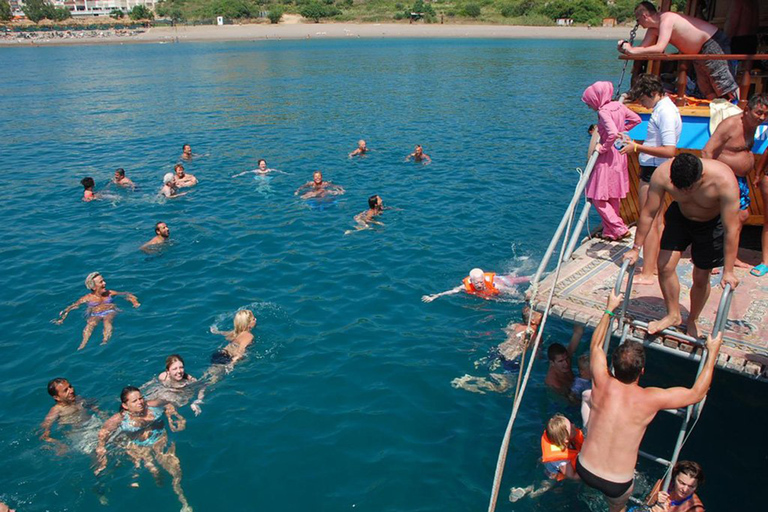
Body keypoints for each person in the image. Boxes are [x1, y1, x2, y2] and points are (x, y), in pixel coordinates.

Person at [576, 290, 722, 512]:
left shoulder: (601, 380)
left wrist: (610, 309)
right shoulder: (650, 398)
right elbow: (696, 393)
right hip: (616, 483)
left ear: (613, 366)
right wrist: (712, 353)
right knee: (617, 508)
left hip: (584, 468)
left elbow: (596, 346)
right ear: (642, 371)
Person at [624, 154, 740, 337]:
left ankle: (693, 319)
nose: (685, 193)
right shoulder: (662, 174)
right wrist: (635, 248)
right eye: (680, 189)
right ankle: (673, 314)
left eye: (689, 188)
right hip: (680, 217)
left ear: (700, 177)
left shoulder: (723, 180)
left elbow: (732, 228)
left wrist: (729, 270)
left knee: (701, 276)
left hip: (711, 225)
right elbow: (648, 213)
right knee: (664, 266)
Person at [620, 73, 682, 285]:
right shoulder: (664, 108)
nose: (644, 106)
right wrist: (634, 141)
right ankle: (652, 267)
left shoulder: (665, 112)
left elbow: (669, 149)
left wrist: (636, 147)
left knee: (650, 222)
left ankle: (647, 272)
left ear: (653, 93)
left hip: (654, 170)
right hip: (654, 167)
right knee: (657, 221)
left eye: (644, 100)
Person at [95, 386, 192, 512]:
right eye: (134, 401)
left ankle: (184, 502)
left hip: (159, 440)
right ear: (125, 405)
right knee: (155, 473)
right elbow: (103, 434)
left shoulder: (151, 405)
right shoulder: (119, 419)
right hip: (139, 446)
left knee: (176, 471)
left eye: (141, 398)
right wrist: (101, 450)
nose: (140, 402)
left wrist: (174, 416)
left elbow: (167, 403)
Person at [702, 94, 768, 271]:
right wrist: (709, 177)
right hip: (724, 178)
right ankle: (708, 257)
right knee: (716, 217)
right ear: (747, 110)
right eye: (758, 113)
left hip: (740, 180)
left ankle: (731, 256)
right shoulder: (731, 125)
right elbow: (707, 151)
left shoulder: (752, 125)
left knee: (742, 216)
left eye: (765, 115)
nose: (762, 117)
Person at [619, 2, 738, 100]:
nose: (637, 23)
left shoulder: (667, 19)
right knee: (705, 86)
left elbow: (659, 48)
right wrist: (627, 49)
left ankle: (737, 106)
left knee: (723, 82)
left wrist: (633, 51)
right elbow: (642, 49)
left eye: (638, 20)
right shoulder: (653, 29)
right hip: (697, 52)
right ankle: (716, 108)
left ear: (645, 16)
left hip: (711, 42)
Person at [582, 81, 642, 241]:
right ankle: (610, 231)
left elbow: (612, 133)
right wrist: (624, 131)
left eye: (590, 104)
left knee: (597, 196)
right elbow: (636, 120)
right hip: (619, 154)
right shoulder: (618, 105)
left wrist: (603, 148)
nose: (590, 107)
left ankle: (618, 227)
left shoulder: (603, 112)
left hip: (608, 156)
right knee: (613, 195)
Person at [53, 272, 141, 350]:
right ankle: (83, 343)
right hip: (95, 313)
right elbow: (72, 307)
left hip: (109, 311)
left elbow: (126, 294)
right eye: (101, 282)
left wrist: (134, 302)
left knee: (108, 320)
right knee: (91, 323)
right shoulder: (87, 298)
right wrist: (62, 318)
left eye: (103, 280)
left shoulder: (109, 293)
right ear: (94, 287)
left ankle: (105, 340)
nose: (104, 283)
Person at [192, 310, 257, 415]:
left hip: (219, 354)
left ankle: (192, 387)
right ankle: (197, 401)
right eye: (254, 319)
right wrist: (232, 364)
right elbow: (240, 352)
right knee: (211, 381)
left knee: (207, 375)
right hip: (226, 359)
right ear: (248, 323)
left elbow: (222, 333)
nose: (256, 320)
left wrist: (215, 331)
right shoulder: (249, 336)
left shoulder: (235, 332)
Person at [510, 413, 583, 502]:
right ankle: (530, 493)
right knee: (547, 486)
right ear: (566, 439)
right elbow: (572, 476)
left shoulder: (558, 441)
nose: (573, 425)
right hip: (552, 474)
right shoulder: (562, 461)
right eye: (571, 427)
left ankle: (527, 489)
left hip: (547, 463)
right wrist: (586, 475)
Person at [40, 378, 101, 455]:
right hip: (80, 434)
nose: (71, 391)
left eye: (70, 386)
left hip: (94, 424)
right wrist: (59, 444)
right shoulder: (56, 410)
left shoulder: (78, 398)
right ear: (56, 397)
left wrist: (101, 413)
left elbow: (92, 406)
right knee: (98, 453)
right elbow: (44, 436)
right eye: (66, 390)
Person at [421, 268, 530, 302]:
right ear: (471, 282)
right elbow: (451, 291)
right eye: (476, 282)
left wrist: (524, 298)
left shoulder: (494, 285)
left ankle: (542, 273)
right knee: (513, 276)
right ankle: (515, 270)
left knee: (518, 279)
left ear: (483, 279)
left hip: (501, 281)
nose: (479, 285)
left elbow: (511, 291)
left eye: (481, 282)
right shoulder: (465, 287)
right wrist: (435, 296)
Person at [544, 324, 584, 397]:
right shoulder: (554, 382)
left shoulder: (564, 358)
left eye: (567, 358)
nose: (566, 363)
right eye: (561, 361)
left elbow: (578, 333)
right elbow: (570, 401)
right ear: (552, 363)